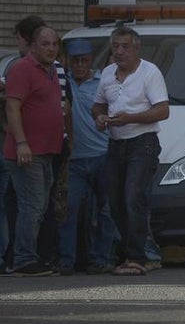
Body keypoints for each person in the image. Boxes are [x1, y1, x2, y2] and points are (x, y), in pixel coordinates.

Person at [93, 26, 170, 276]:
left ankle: (136, 257)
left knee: (132, 198)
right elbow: (97, 105)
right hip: (116, 143)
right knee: (114, 202)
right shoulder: (107, 73)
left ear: (137, 48)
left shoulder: (150, 72)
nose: (119, 51)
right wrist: (100, 117)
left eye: (125, 46)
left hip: (142, 142)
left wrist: (131, 118)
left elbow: (162, 111)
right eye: (115, 46)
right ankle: (132, 252)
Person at [2, 26, 66, 276]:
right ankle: (24, 260)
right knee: (31, 206)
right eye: (45, 44)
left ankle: (28, 256)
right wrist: (21, 142)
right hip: (26, 152)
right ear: (33, 46)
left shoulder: (50, 70)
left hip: (46, 152)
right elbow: (12, 108)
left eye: (54, 44)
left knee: (38, 207)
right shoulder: (22, 69)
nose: (51, 48)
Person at [56, 40, 117, 275]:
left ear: (91, 60)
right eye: (75, 61)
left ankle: (101, 259)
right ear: (68, 61)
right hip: (75, 160)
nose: (80, 65)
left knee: (106, 211)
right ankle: (66, 261)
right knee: (68, 211)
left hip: (103, 155)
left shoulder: (103, 82)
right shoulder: (63, 83)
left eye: (84, 60)